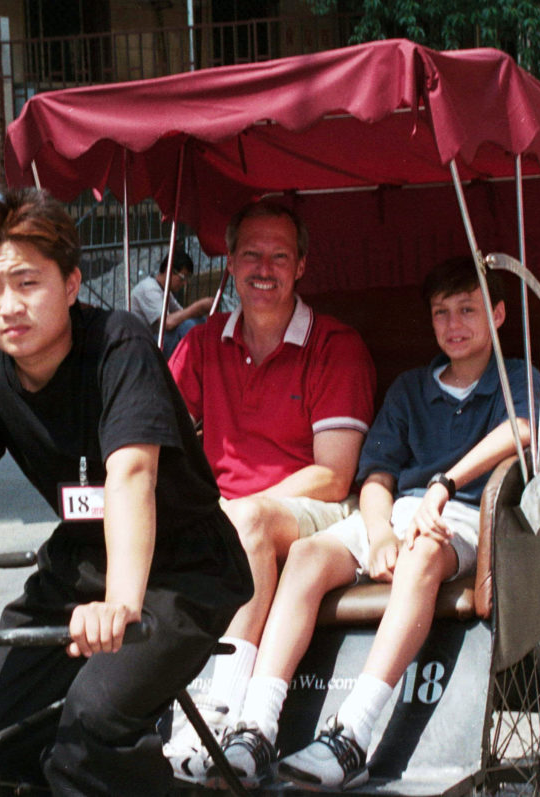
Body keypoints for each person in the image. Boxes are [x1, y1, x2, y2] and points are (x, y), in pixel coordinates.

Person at [0, 188, 253, 797]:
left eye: (26, 283)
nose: (8, 307)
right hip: (80, 566)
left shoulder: (119, 345)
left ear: (70, 284)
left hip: (182, 570)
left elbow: (132, 476)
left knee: (92, 735)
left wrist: (121, 602)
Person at [209, 256, 539, 791]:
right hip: (397, 510)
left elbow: (520, 431)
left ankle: (353, 731)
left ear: (498, 315)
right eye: (441, 313)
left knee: (424, 553)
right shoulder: (411, 388)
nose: (453, 325)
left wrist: (444, 484)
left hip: (466, 514)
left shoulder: (517, 376)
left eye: (467, 311)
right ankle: (257, 724)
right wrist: (381, 532)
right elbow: (378, 476)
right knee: (310, 553)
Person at [164, 199, 376, 780]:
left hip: (318, 511)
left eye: (279, 256)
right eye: (251, 254)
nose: (265, 268)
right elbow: (157, 440)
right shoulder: (203, 344)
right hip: (228, 516)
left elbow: (333, 475)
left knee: (248, 523)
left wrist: (234, 513)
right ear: (229, 262)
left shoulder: (335, 346)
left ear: (302, 266)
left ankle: (222, 713)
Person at [130, 248, 213, 357]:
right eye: (183, 278)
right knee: (187, 326)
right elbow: (167, 323)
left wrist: (200, 312)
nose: (184, 283)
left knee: (197, 321)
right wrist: (197, 307)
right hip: (141, 348)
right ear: (170, 271)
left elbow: (182, 314)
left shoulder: (164, 291)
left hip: (154, 342)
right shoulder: (148, 288)